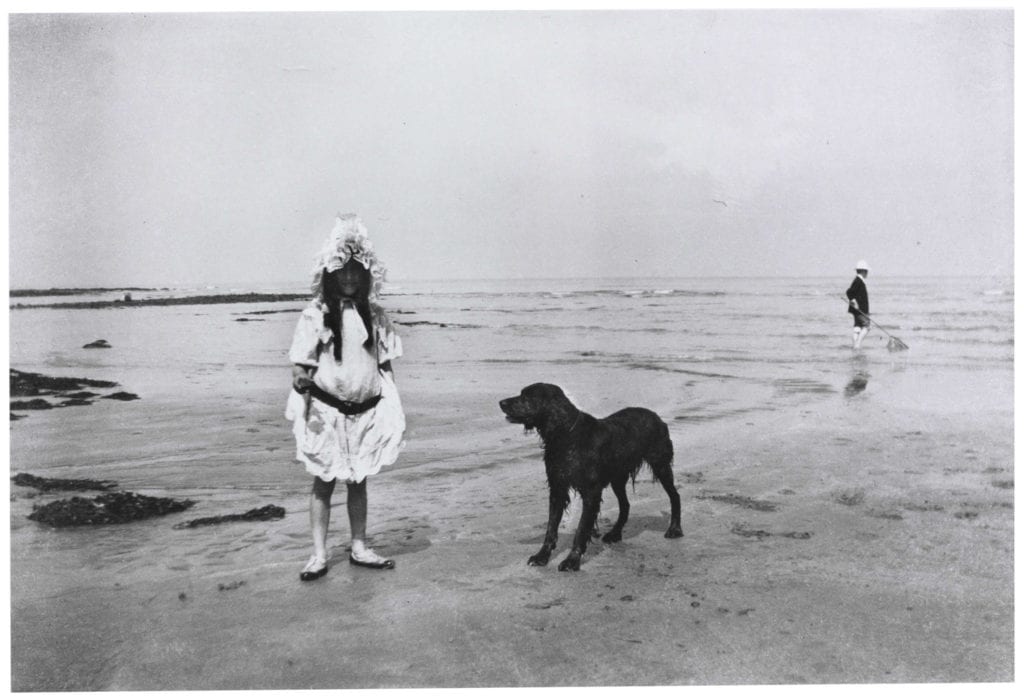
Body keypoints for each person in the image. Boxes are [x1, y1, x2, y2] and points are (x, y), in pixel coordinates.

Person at [285, 214, 405, 582]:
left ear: (367, 274)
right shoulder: (317, 314)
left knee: (358, 481)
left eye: (357, 271)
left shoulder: (376, 316)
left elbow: (385, 366)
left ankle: (359, 546)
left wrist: (390, 406)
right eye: (343, 271)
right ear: (330, 274)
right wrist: (302, 381)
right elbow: (300, 365)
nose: (350, 277)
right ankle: (319, 554)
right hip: (327, 411)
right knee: (323, 481)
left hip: (365, 412)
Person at [845, 260, 870, 349]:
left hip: (856, 310)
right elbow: (849, 292)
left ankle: (855, 345)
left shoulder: (858, 280)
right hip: (860, 310)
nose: (867, 273)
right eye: (867, 271)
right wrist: (853, 300)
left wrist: (853, 300)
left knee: (857, 327)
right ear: (863, 271)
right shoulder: (858, 281)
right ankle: (857, 344)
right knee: (867, 326)